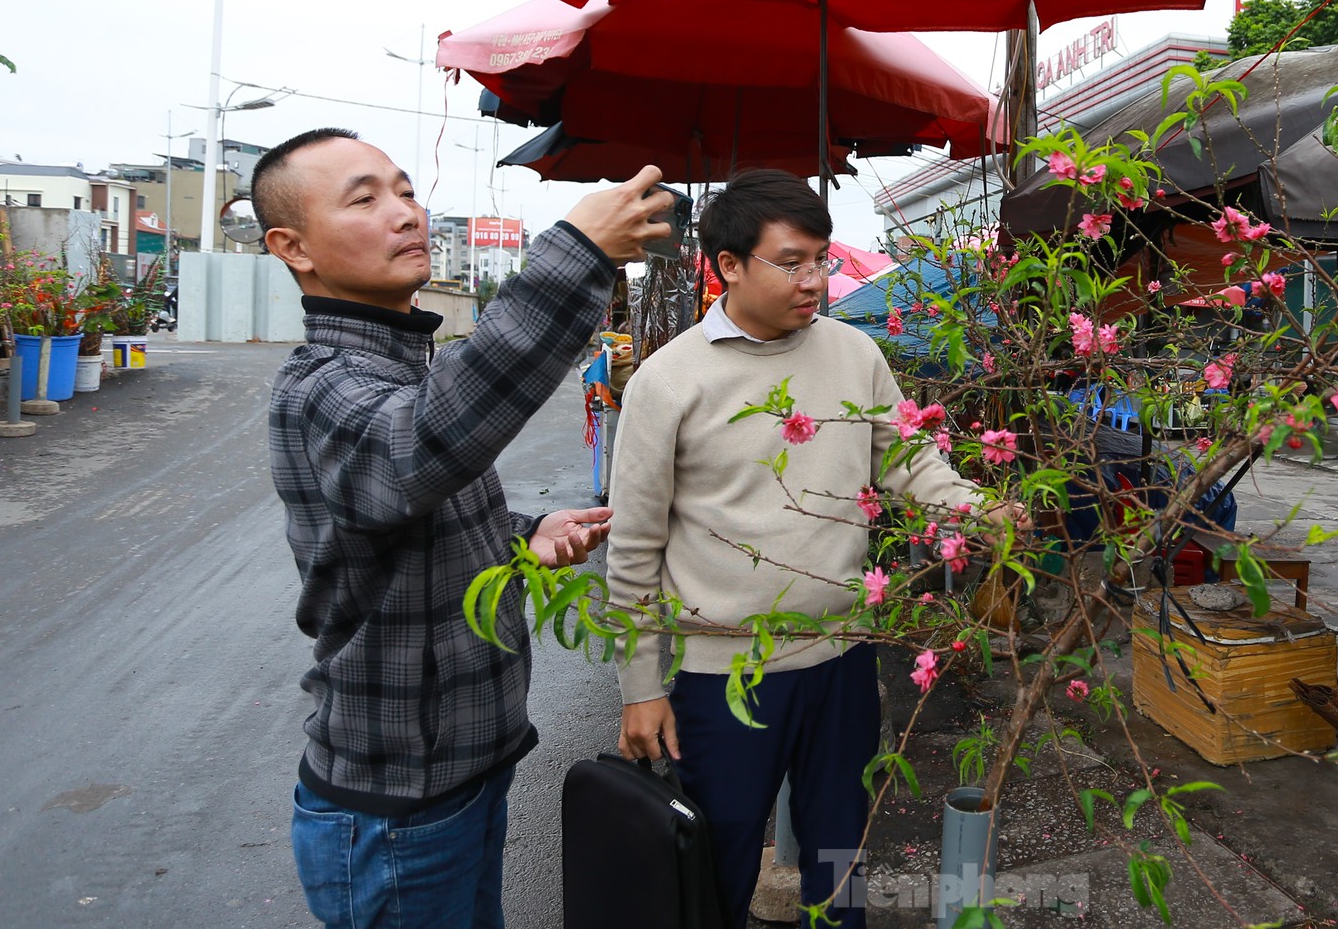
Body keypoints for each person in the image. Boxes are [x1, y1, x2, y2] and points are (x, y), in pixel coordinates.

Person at [256, 127, 672, 928]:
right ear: (292, 247)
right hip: (397, 810)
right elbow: (422, 445)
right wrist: (577, 252)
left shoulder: (398, 368)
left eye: (405, 190)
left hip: (460, 778)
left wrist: (524, 533)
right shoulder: (323, 386)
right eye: (364, 199)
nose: (404, 212)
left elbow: (410, 517)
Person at [605, 169, 1024, 929]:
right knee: (716, 867)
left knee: (841, 860)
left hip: (842, 659)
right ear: (729, 265)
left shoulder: (854, 354)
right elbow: (635, 543)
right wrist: (640, 684)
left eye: (821, 260)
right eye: (792, 262)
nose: (815, 281)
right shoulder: (667, 382)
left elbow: (909, 461)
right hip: (726, 678)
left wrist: (982, 509)